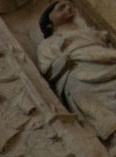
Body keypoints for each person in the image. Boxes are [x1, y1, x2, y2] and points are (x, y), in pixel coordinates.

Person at [39, 1, 116, 142]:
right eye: (61, 8)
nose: (68, 8)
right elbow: (48, 68)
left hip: (107, 59)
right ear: (49, 21)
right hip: (80, 74)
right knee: (80, 91)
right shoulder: (48, 44)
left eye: (70, 5)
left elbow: (106, 41)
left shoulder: (89, 31)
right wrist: (69, 57)